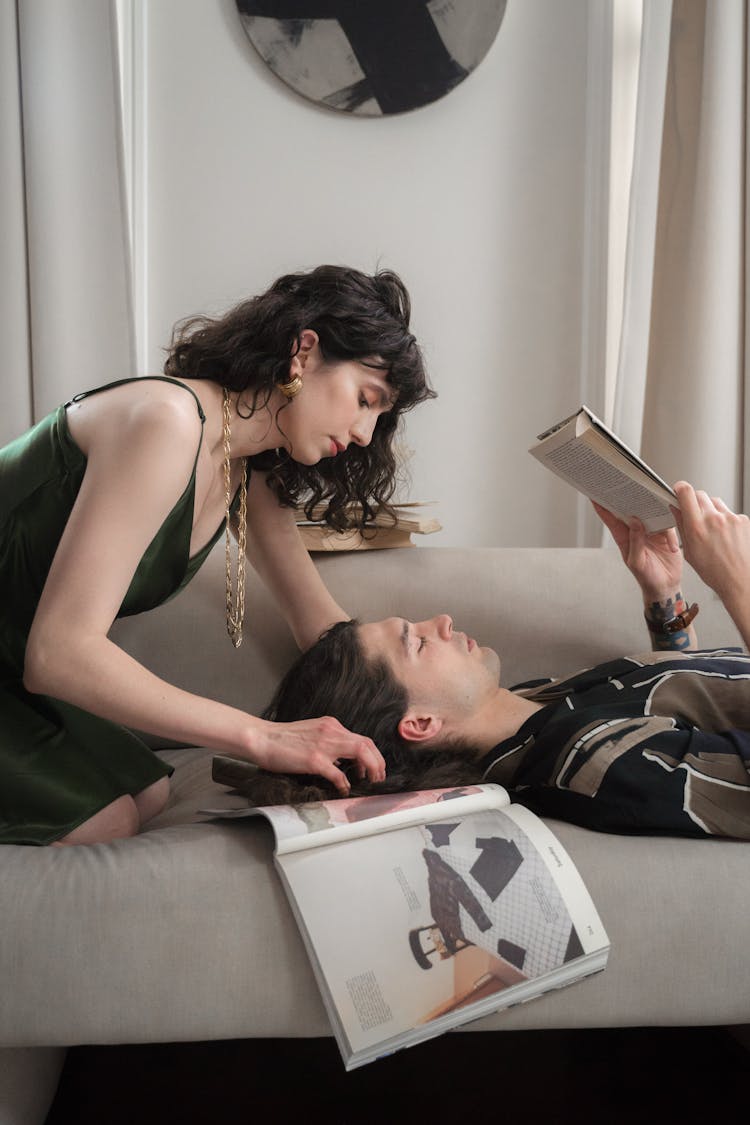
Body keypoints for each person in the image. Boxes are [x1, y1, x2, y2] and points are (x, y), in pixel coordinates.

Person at [0, 264, 435, 846]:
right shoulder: (168, 421)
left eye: (378, 418)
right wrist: (261, 736)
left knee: (150, 791)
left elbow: (323, 628)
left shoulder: (243, 466)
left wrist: (444, 724)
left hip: (10, 658)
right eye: (365, 399)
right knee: (108, 819)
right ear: (304, 352)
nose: (363, 433)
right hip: (29, 659)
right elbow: (58, 653)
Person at [239, 482, 750, 839]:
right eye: (416, 642)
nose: (440, 621)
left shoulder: (529, 710)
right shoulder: (588, 763)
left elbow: (694, 703)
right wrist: (737, 584)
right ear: (419, 723)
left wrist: (663, 596)